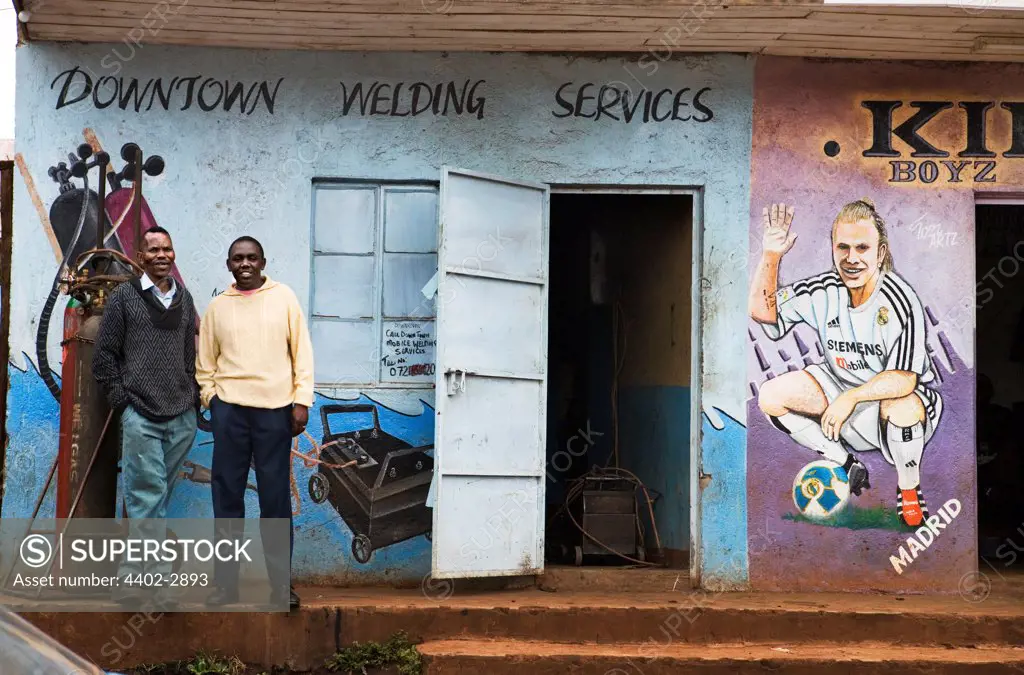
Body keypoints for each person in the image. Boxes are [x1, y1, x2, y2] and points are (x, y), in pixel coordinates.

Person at [749, 199, 942, 529]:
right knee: (770, 395)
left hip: (885, 410)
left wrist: (850, 398)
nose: (851, 258)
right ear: (833, 249)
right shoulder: (824, 289)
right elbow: (764, 313)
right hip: (838, 393)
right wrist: (771, 255)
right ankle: (845, 462)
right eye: (843, 247)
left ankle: (908, 488)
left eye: (862, 248)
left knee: (905, 404)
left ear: (880, 253)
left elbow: (904, 380)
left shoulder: (899, 299)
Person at [196, 236, 313, 610]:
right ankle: (225, 587)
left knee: (275, 499)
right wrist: (211, 399)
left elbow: (302, 353)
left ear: (263, 261)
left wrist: (301, 401)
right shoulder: (218, 307)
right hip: (229, 411)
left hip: (275, 411)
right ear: (229, 265)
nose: (245, 264)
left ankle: (280, 587)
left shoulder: (285, 298)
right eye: (237, 259)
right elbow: (205, 362)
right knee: (227, 498)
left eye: (251, 258)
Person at [92, 225, 199, 608]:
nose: (161, 255)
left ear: (173, 254)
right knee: (147, 496)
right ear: (140, 257)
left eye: (167, 249)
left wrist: (195, 400)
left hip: (181, 417)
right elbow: (104, 356)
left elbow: (190, 355)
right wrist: (123, 401)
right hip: (141, 415)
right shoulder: (124, 298)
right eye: (153, 249)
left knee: (151, 500)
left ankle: (134, 581)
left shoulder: (184, 300)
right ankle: (152, 586)